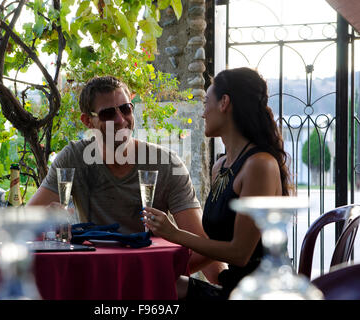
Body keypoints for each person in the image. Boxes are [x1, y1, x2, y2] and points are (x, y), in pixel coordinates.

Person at [27, 75, 225, 282]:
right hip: (96, 278)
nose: (120, 120)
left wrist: (223, 286)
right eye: (108, 113)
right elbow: (28, 221)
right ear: (87, 121)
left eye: (125, 109)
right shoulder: (74, 158)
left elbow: (202, 245)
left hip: (150, 280)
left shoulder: (166, 163)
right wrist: (46, 220)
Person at [143, 67, 292, 300]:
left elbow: (240, 253)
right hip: (233, 287)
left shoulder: (259, 165)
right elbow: (218, 242)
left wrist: (174, 234)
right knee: (149, 285)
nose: (203, 114)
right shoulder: (220, 166)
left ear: (224, 103)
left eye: (205, 103)